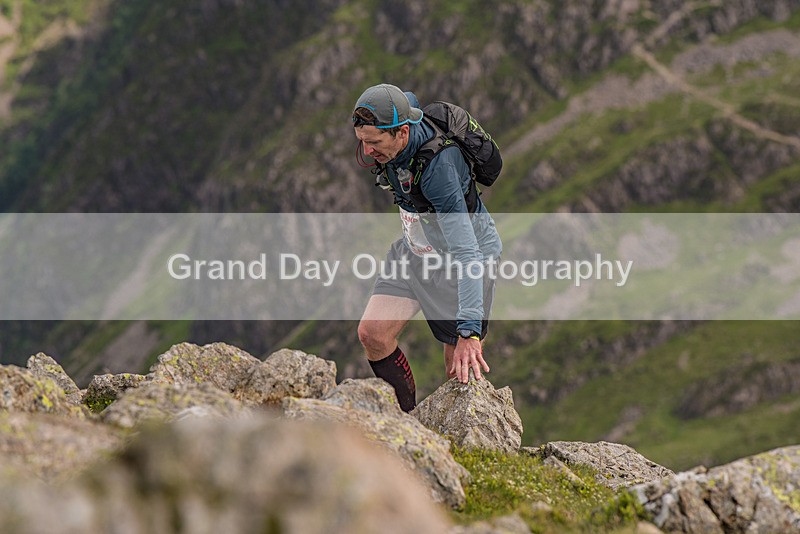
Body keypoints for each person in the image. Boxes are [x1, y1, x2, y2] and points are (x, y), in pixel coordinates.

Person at [352, 83, 502, 412]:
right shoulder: (399, 116)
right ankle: (405, 425)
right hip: (416, 249)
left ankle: (466, 446)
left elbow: (469, 255)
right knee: (373, 334)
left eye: (374, 144)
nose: (367, 153)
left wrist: (469, 332)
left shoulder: (440, 172)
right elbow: (405, 99)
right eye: (362, 142)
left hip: (460, 261)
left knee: (458, 369)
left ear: (402, 132)